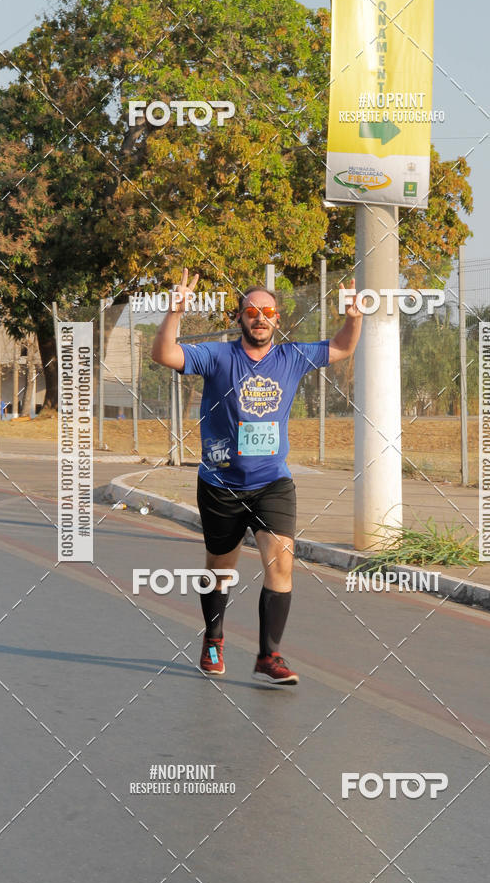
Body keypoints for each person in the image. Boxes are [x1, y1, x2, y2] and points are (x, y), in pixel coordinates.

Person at [152, 269, 362, 685]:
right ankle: (213, 639)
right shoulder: (216, 356)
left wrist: (354, 317)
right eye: (252, 311)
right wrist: (174, 312)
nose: (260, 317)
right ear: (240, 318)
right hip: (221, 484)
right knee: (219, 570)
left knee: (281, 563)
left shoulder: (291, 357)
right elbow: (165, 354)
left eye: (267, 311)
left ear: (277, 320)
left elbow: (340, 347)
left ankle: (269, 655)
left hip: (272, 482)